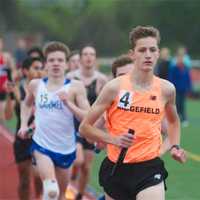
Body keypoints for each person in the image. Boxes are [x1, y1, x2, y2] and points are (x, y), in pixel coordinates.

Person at [79, 26, 187, 200]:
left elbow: (174, 122)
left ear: (158, 53)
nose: (148, 55)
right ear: (132, 54)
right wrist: (113, 139)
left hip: (149, 168)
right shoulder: (114, 87)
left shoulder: (167, 89)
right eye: (142, 50)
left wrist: (174, 146)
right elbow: (84, 128)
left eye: (152, 50)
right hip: (117, 168)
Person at [18, 41, 90, 200]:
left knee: (61, 195)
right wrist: (23, 125)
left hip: (66, 148)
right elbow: (26, 104)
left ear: (66, 64)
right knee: (51, 189)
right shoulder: (36, 85)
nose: (55, 64)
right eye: (51, 60)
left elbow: (87, 116)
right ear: (45, 64)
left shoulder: (76, 87)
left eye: (60, 60)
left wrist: (69, 104)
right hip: (41, 145)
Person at [67, 45, 107, 200]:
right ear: (81, 57)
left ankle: (79, 195)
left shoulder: (101, 79)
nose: (89, 57)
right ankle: (67, 181)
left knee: (86, 166)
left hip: (92, 126)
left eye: (92, 54)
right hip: (73, 124)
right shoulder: (70, 77)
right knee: (78, 159)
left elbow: (106, 105)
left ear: (95, 58)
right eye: (86, 54)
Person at [4, 57, 44, 200]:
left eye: (41, 68)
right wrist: (9, 95)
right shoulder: (16, 89)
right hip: (22, 139)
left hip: (41, 139)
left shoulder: (46, 89)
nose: (40, 71)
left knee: (39, 177)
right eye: (36, 68)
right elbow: (8, 116)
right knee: (25, 180)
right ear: (26, 71)